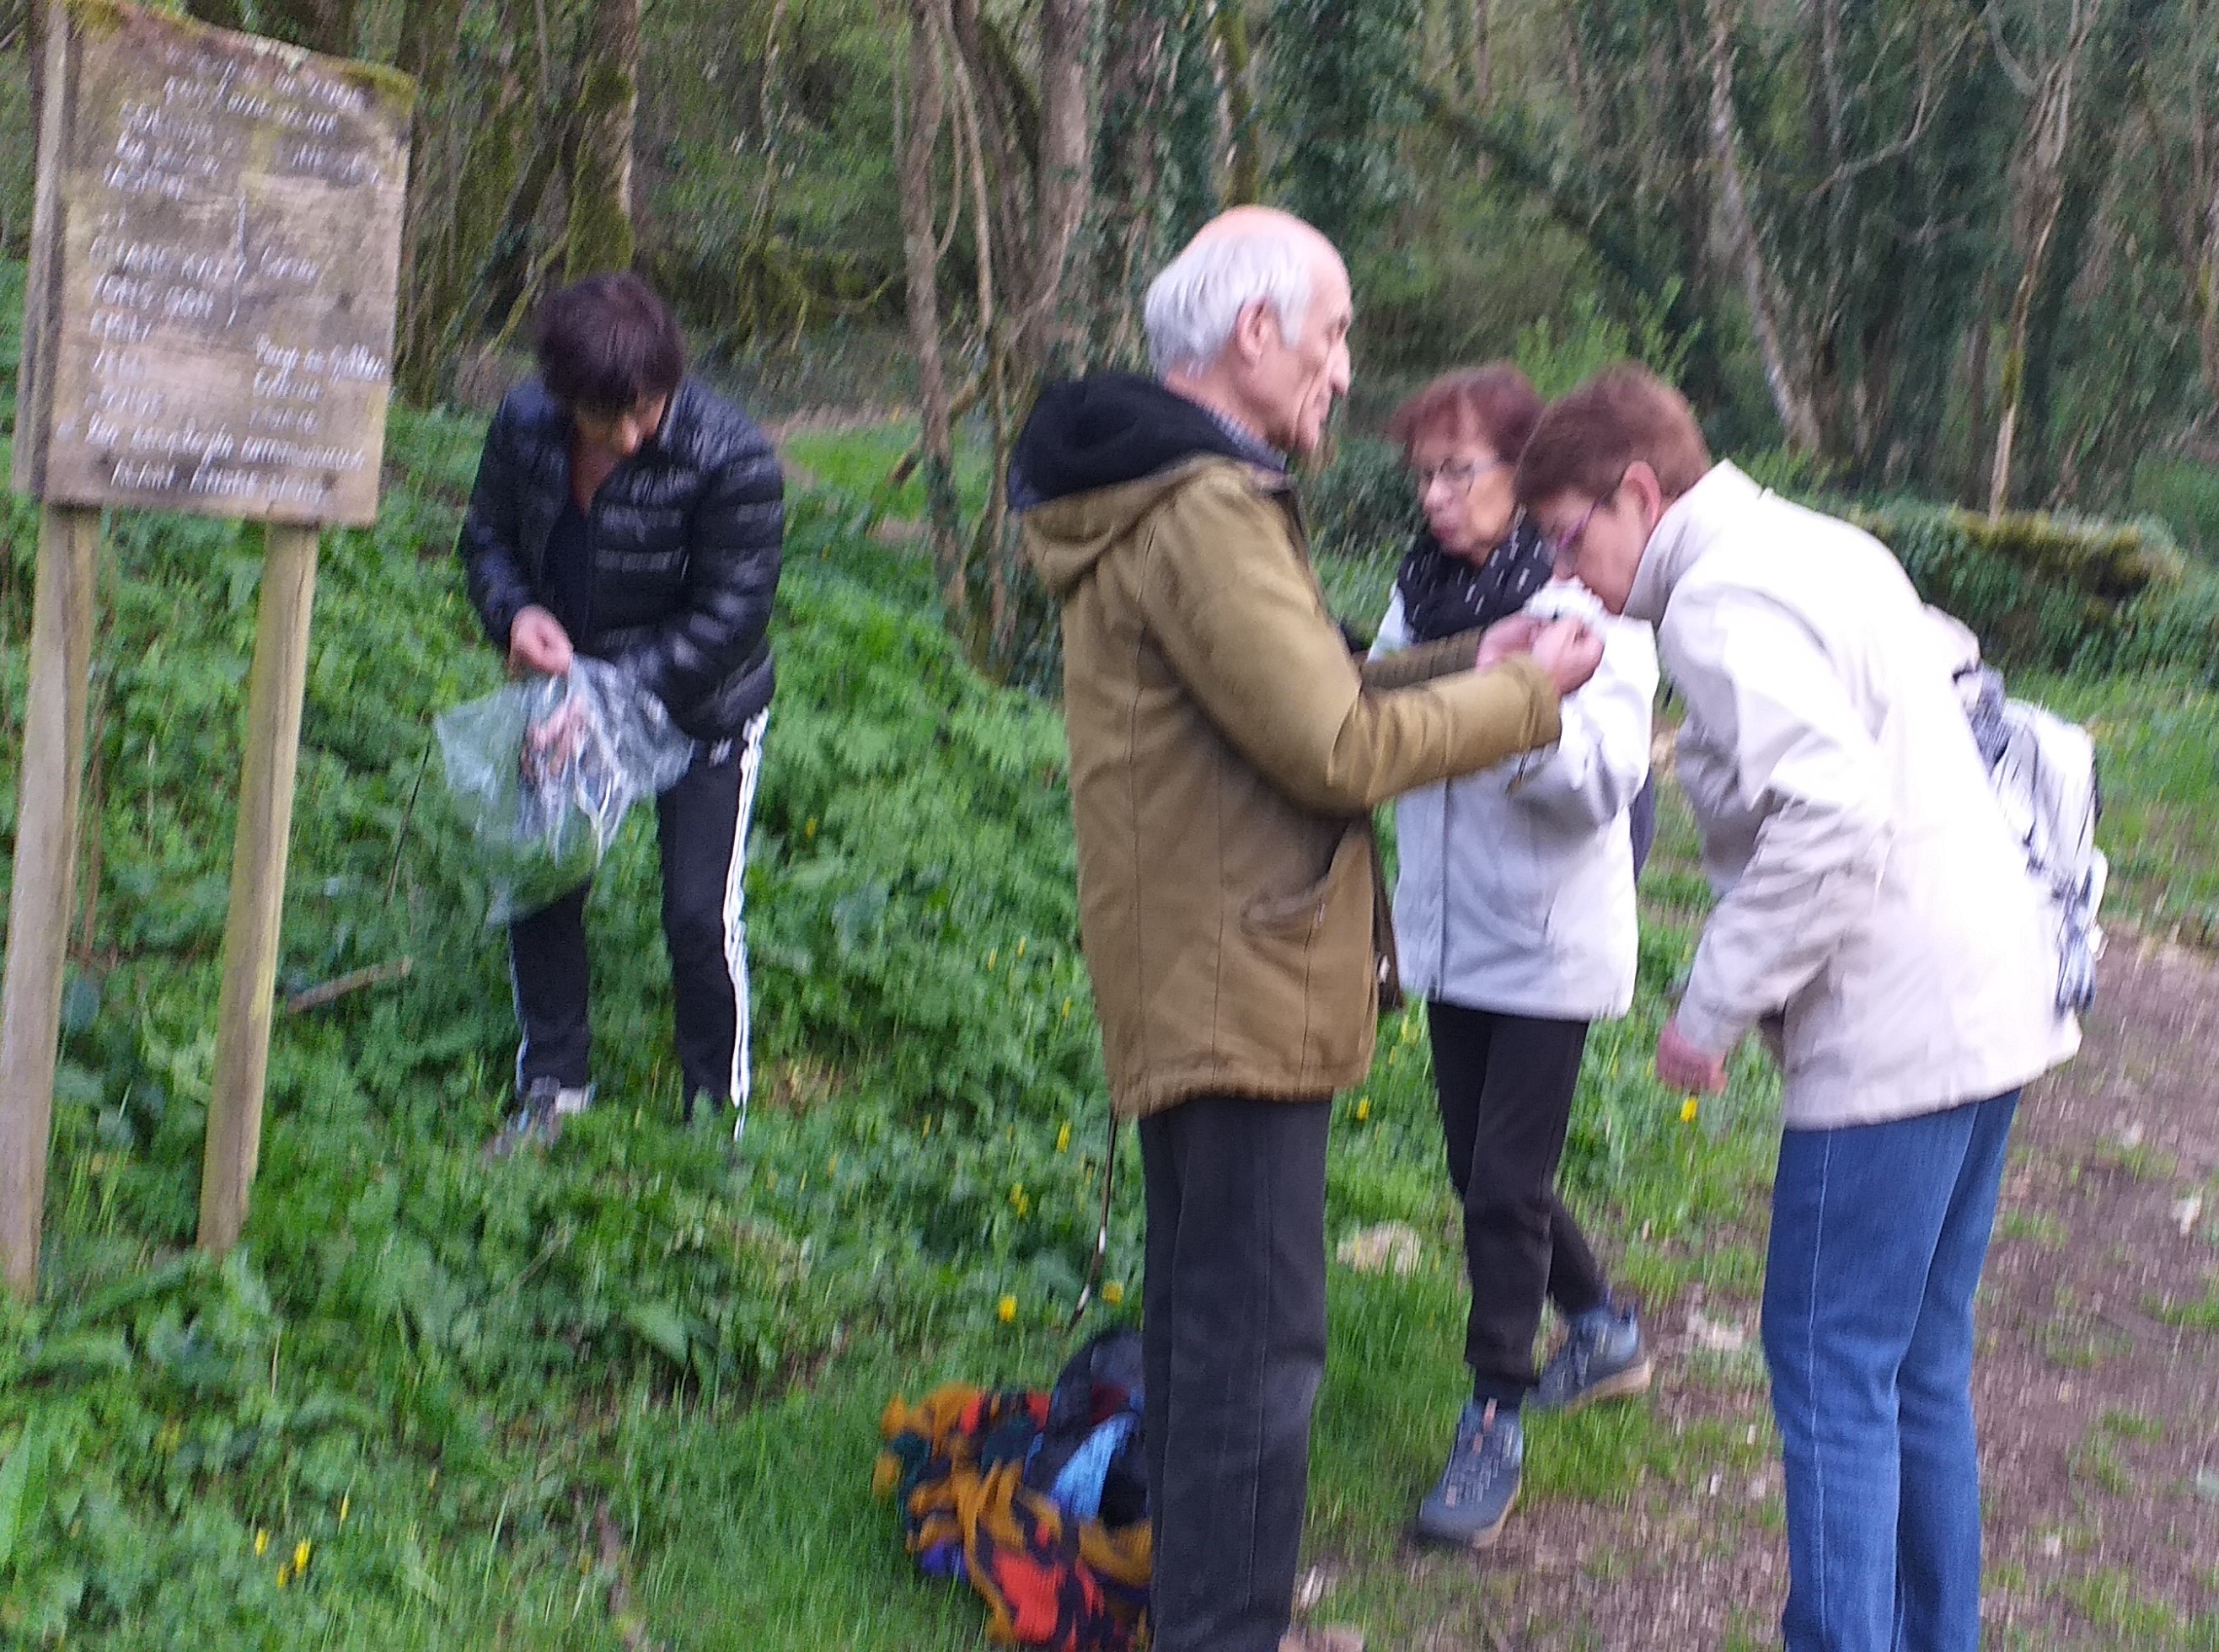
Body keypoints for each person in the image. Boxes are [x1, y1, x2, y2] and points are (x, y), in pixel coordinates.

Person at [1010, 207, 1605, 1652]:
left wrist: (1478, 651)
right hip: (1235, 979)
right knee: (1253, 1348)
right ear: (1254, 331)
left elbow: (1310, 677)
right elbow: (1333, 745)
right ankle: (1224, 1631)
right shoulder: (1202, 507)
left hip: (1215, 961)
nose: (1344, 369)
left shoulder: (1171, 484)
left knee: (1212, 1324)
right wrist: (1530, 698)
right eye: (1330, 332)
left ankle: (1213, 1610)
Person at [1516, 365, 2080, 1652]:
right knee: (1916, 1367)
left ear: (1639, 491)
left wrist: (1706, 1010)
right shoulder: (1819, 542)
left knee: (1830, 1368)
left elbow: (1830, 819)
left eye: (1570, 534)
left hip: (1897, 1036)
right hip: (1991, 1000)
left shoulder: (1717, 602)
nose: (1570, 570)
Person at [1369, 367, 1659, 1551]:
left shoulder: (1588, 603)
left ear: (1522, 475)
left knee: (1499, 1189)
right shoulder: (1422, 589)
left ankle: (1494, 1412)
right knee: (1482, 1169)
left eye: (1460, 472)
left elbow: (1602, 780)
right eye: (1424, 473)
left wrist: (1516, 702)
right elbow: (1374, 720)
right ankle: (1600, 1323)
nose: (1437, 496)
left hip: (1544, 948)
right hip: (1450, 937)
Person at [458, 273, 785, 1151]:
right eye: (613, 420)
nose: (636, 434)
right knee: (545, 878)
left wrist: (599, 696)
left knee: (694, 912)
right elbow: (486, 539)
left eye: (648, 409)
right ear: (565, 399)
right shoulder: (524, 427)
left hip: (702, 709)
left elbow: (729, 621)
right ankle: (554, 1092)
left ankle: (715, 1117)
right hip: (566, 699)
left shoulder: (732, 457)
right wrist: (515, 614)